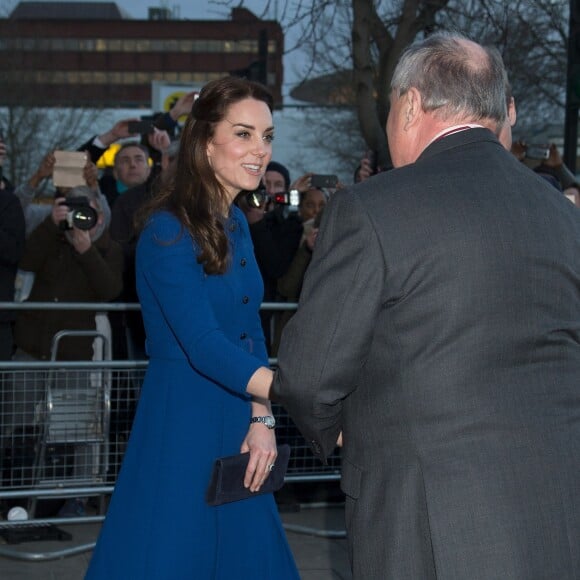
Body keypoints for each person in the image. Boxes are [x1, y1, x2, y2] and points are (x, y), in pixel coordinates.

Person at [267, 32, 580, 578]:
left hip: (425, 522)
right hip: (555, 511)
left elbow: (311, 374)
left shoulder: (372, 209)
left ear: (411, 104)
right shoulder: (560, 214)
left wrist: (340, 427)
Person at [85, 76, 299, 579]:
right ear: (205, 142)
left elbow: (248, 334)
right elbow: (203, 343)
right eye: (244, 134)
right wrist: (297, 394)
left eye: (267, 136)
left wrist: (262, 417)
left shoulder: (239, 224)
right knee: (172, 553)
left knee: (247, 556)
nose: (260, 150)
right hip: (184, 415)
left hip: (241, 411)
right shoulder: (166, 229)